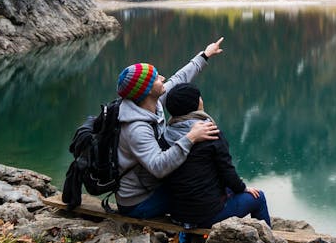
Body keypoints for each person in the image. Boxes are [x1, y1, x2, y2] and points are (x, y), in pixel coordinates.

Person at [114, 37, 224, 219]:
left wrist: (205, 55)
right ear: (148, 89)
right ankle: (194, 233)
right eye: (157, 78)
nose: (163, 78)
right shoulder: (136, 129)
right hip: (138, 201)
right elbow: (158, 167)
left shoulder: (151, 102)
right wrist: (191, 137)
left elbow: (179, 78)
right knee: (200, 193)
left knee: (203, 183)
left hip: (150, 184)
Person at [161, 82, 270, 228]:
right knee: (258, 197)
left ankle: (186, 239)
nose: (201, 100)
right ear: (195, 103)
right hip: (206, 215)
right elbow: (227, 171)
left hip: (178, 214)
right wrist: (243, 189)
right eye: (199, 97)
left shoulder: (166, 134)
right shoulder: (210, 133)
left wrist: (238, 186)